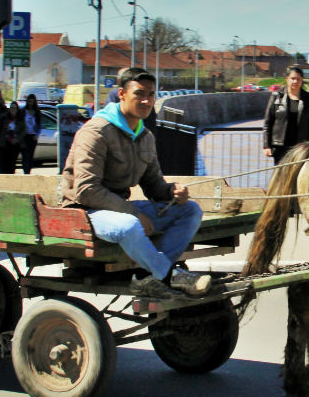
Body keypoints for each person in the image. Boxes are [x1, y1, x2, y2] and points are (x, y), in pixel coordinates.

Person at [60, 67, 213, 299]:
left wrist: (171, 191)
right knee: (129, 226)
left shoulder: (145, 137)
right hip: (85, 212)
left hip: (120, 208)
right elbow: (85, 190)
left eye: (151, 95)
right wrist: (133, 212)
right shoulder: (96, 132)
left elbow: (153, 185)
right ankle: (169, 274)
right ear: (121, 94)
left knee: (189, 210)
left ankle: (147, 276)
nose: (146, 100)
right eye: (139, 94)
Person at [263, 66, 309, 164]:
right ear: (287, 79)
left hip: (301, 147)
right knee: (281, 176)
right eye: (293, 78)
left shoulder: (308, 98)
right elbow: (268, 123)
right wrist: (267, 146)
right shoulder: (276, 96)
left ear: (302, 81)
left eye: (298, 79)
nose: (295, 82)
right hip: (280, 146)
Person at [16, 93, 42, 174]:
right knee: (25, 155)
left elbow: (40, 125)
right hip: (25, 136)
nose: (30, 103)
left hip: (33, 136)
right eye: (29, 101)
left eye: (32, 102)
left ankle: (28, 171)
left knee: (30, 155)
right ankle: (26, 171)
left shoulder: (37, 112)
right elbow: (19, 123)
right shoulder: (23, 111)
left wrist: (37, 135)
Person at [0, 99, 20, 173]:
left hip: (15, 144)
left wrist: (17, 139)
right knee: (4, 164)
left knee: (12, 164)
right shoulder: (4, 118)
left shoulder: (20, 119)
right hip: (5, 144)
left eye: (15, 108)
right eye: (11, 108)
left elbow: (22, 131)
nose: (13, 110)